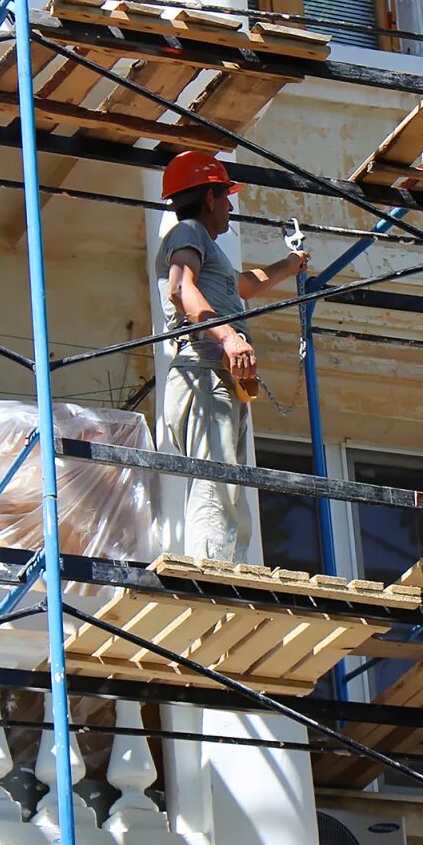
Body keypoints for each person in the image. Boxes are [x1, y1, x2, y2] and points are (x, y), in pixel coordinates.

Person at [156, 150, 309, 560]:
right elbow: (180, 288)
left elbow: (241, 286)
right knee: (216, 484)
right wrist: (227, 338)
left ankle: (227, 569)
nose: (229, 207)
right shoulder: (187, 231)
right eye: (226, 197)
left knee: (229, 483)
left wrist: (290, 265)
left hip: (216, 376)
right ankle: (213, 575)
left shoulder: (207, 248)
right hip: (204, 372)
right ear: (209, 198)